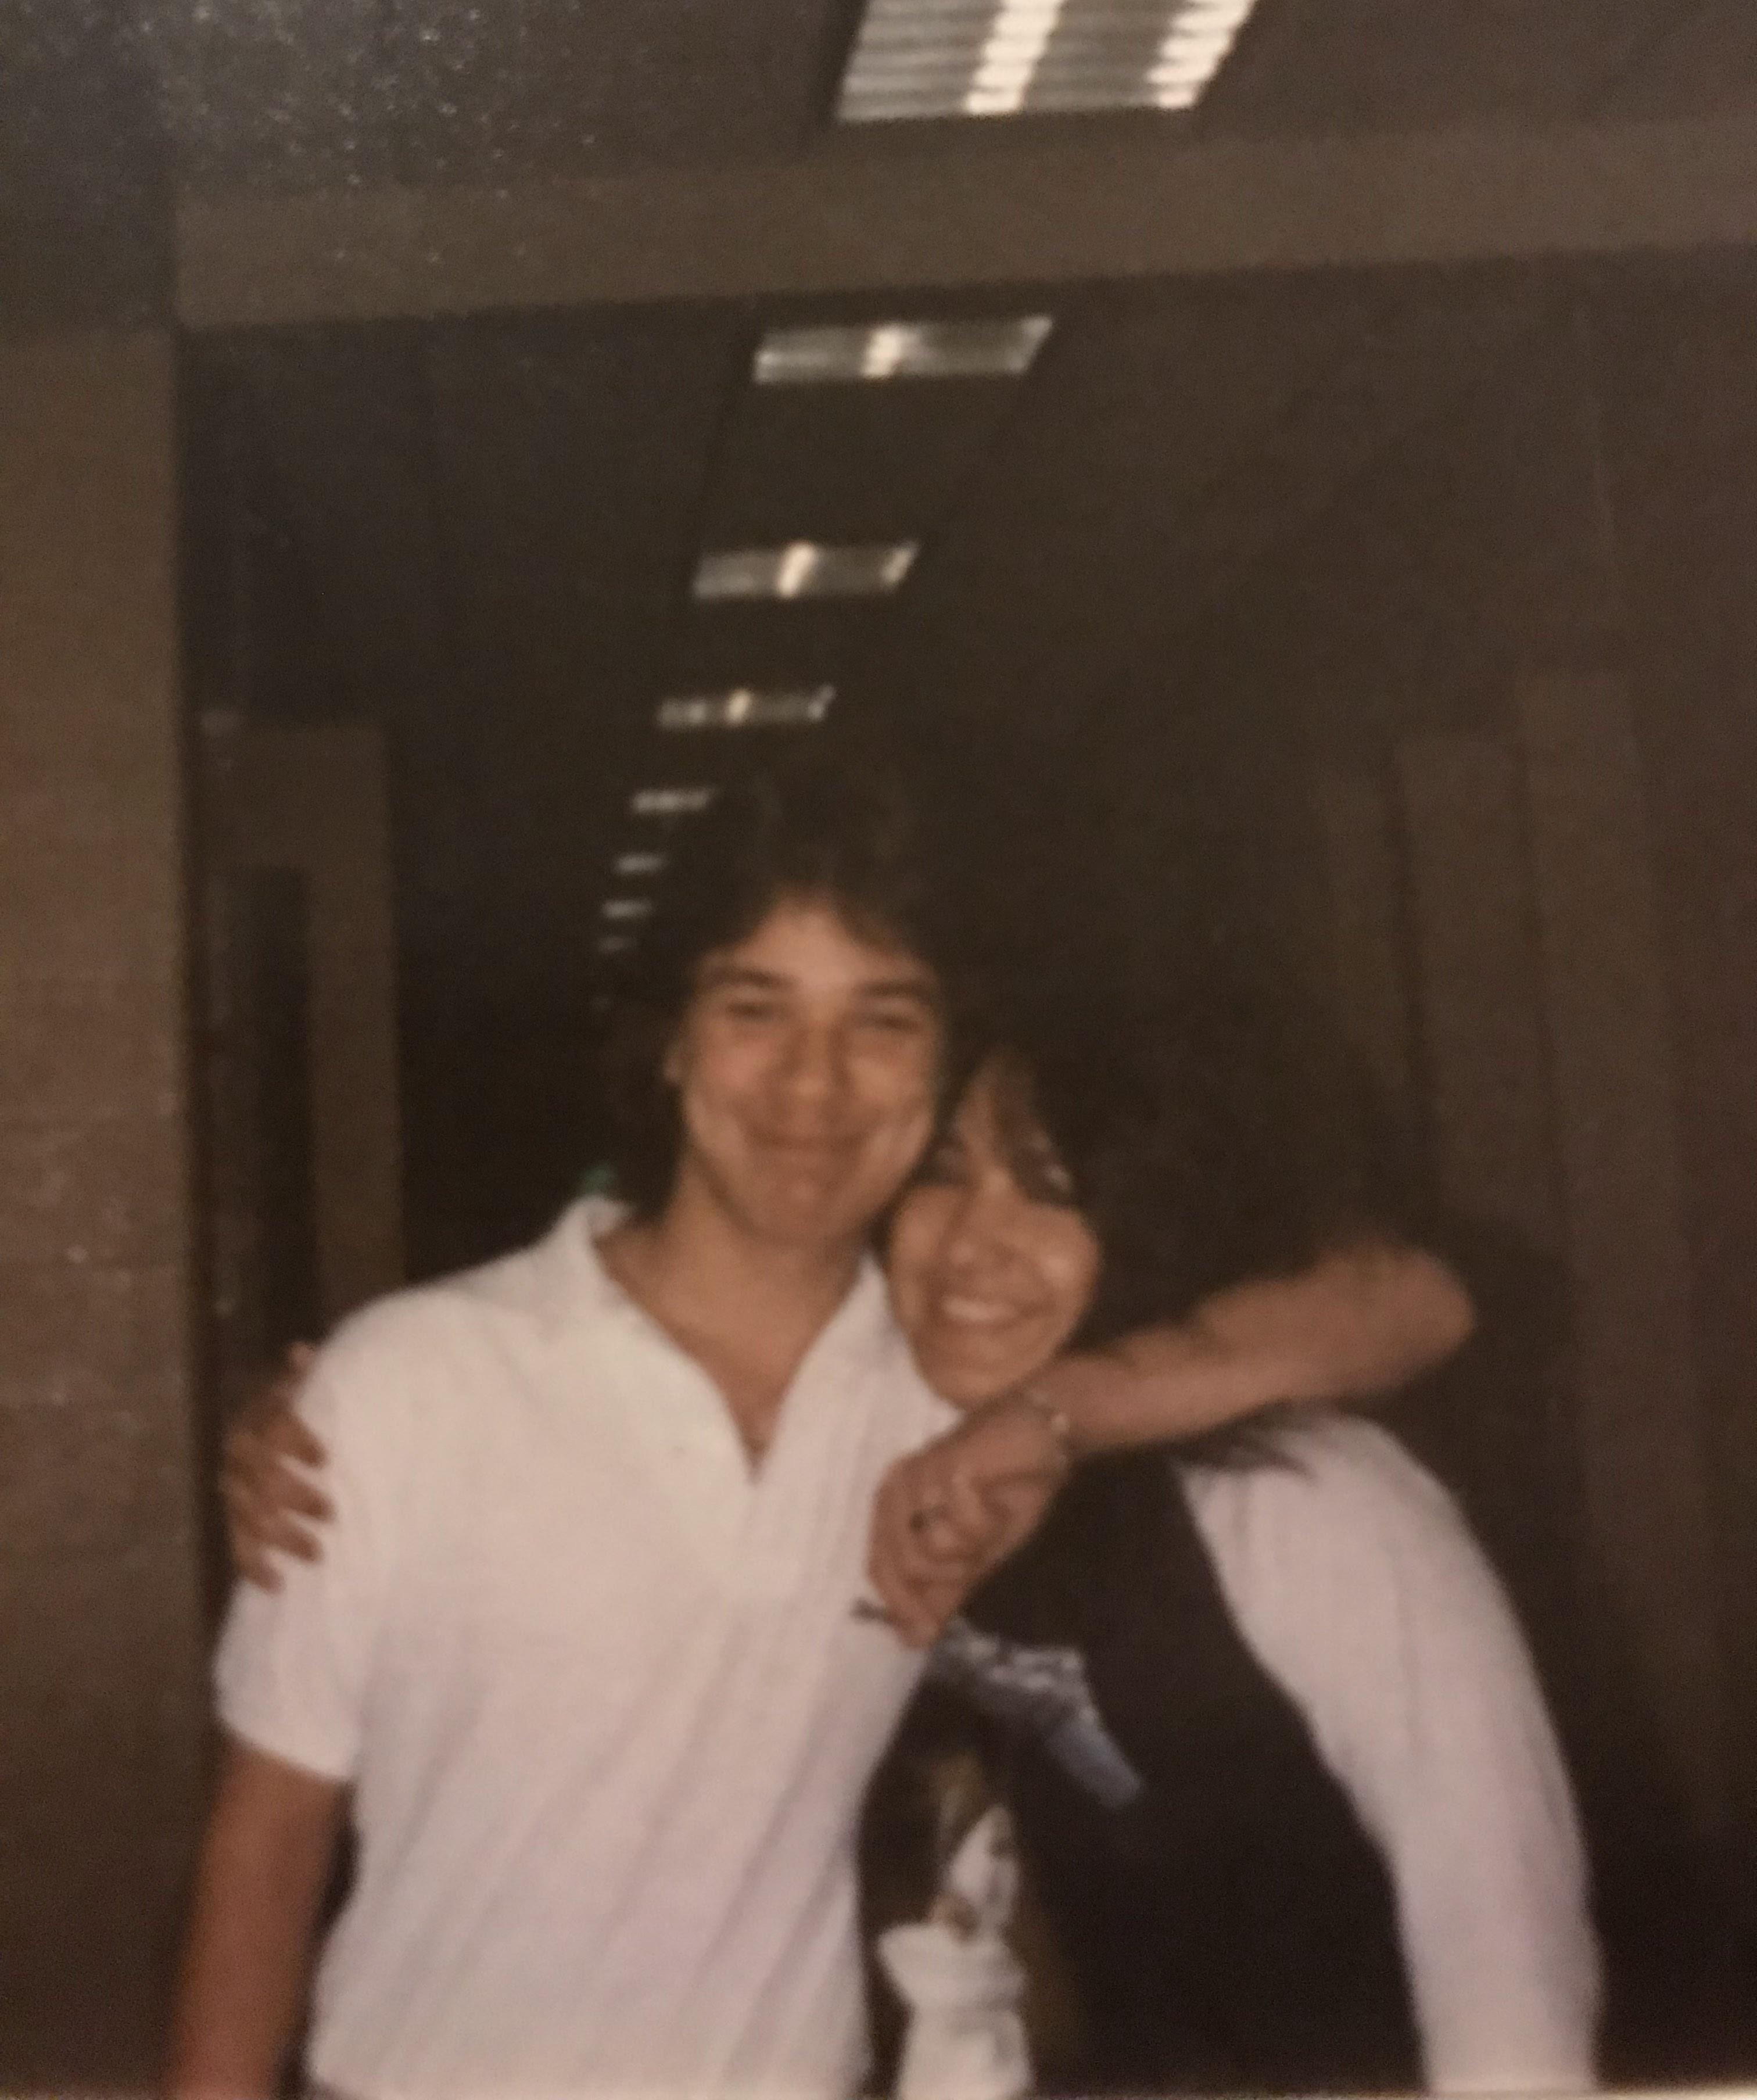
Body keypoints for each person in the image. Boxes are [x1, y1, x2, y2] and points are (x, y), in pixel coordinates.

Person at [186, 767, 1468, 2100]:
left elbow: (1419, 1304)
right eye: (755, 1009)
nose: (814, 1085)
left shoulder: (958, 1377)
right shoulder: (406, 1384)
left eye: (883, 1021)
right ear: (672, 1036)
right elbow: (267, 1847)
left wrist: (1049, 1420)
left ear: (942, 1063)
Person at [863, 979, 1602, 2095]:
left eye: (1054, 1191)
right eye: (946, 1170)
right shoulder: (893, 1444)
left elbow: (1503, 1947)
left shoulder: (1308, 1502)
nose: (973, 1239)